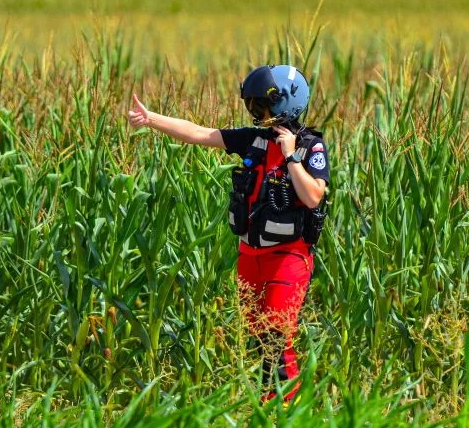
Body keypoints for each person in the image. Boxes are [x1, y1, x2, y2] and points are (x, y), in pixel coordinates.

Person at [128, 64, 330, 404]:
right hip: (250, 256)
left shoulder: (311, 147)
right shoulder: (254, 139)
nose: (255, 114)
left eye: (261, 107)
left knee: (277, 337)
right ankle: (266, 406)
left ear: (287, 104)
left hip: (289, 256)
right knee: (258, 338)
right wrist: (152, 119)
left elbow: (312, 196)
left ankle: (287, 411)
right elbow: (199, 133)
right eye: (252, 106)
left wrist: (291, 155)